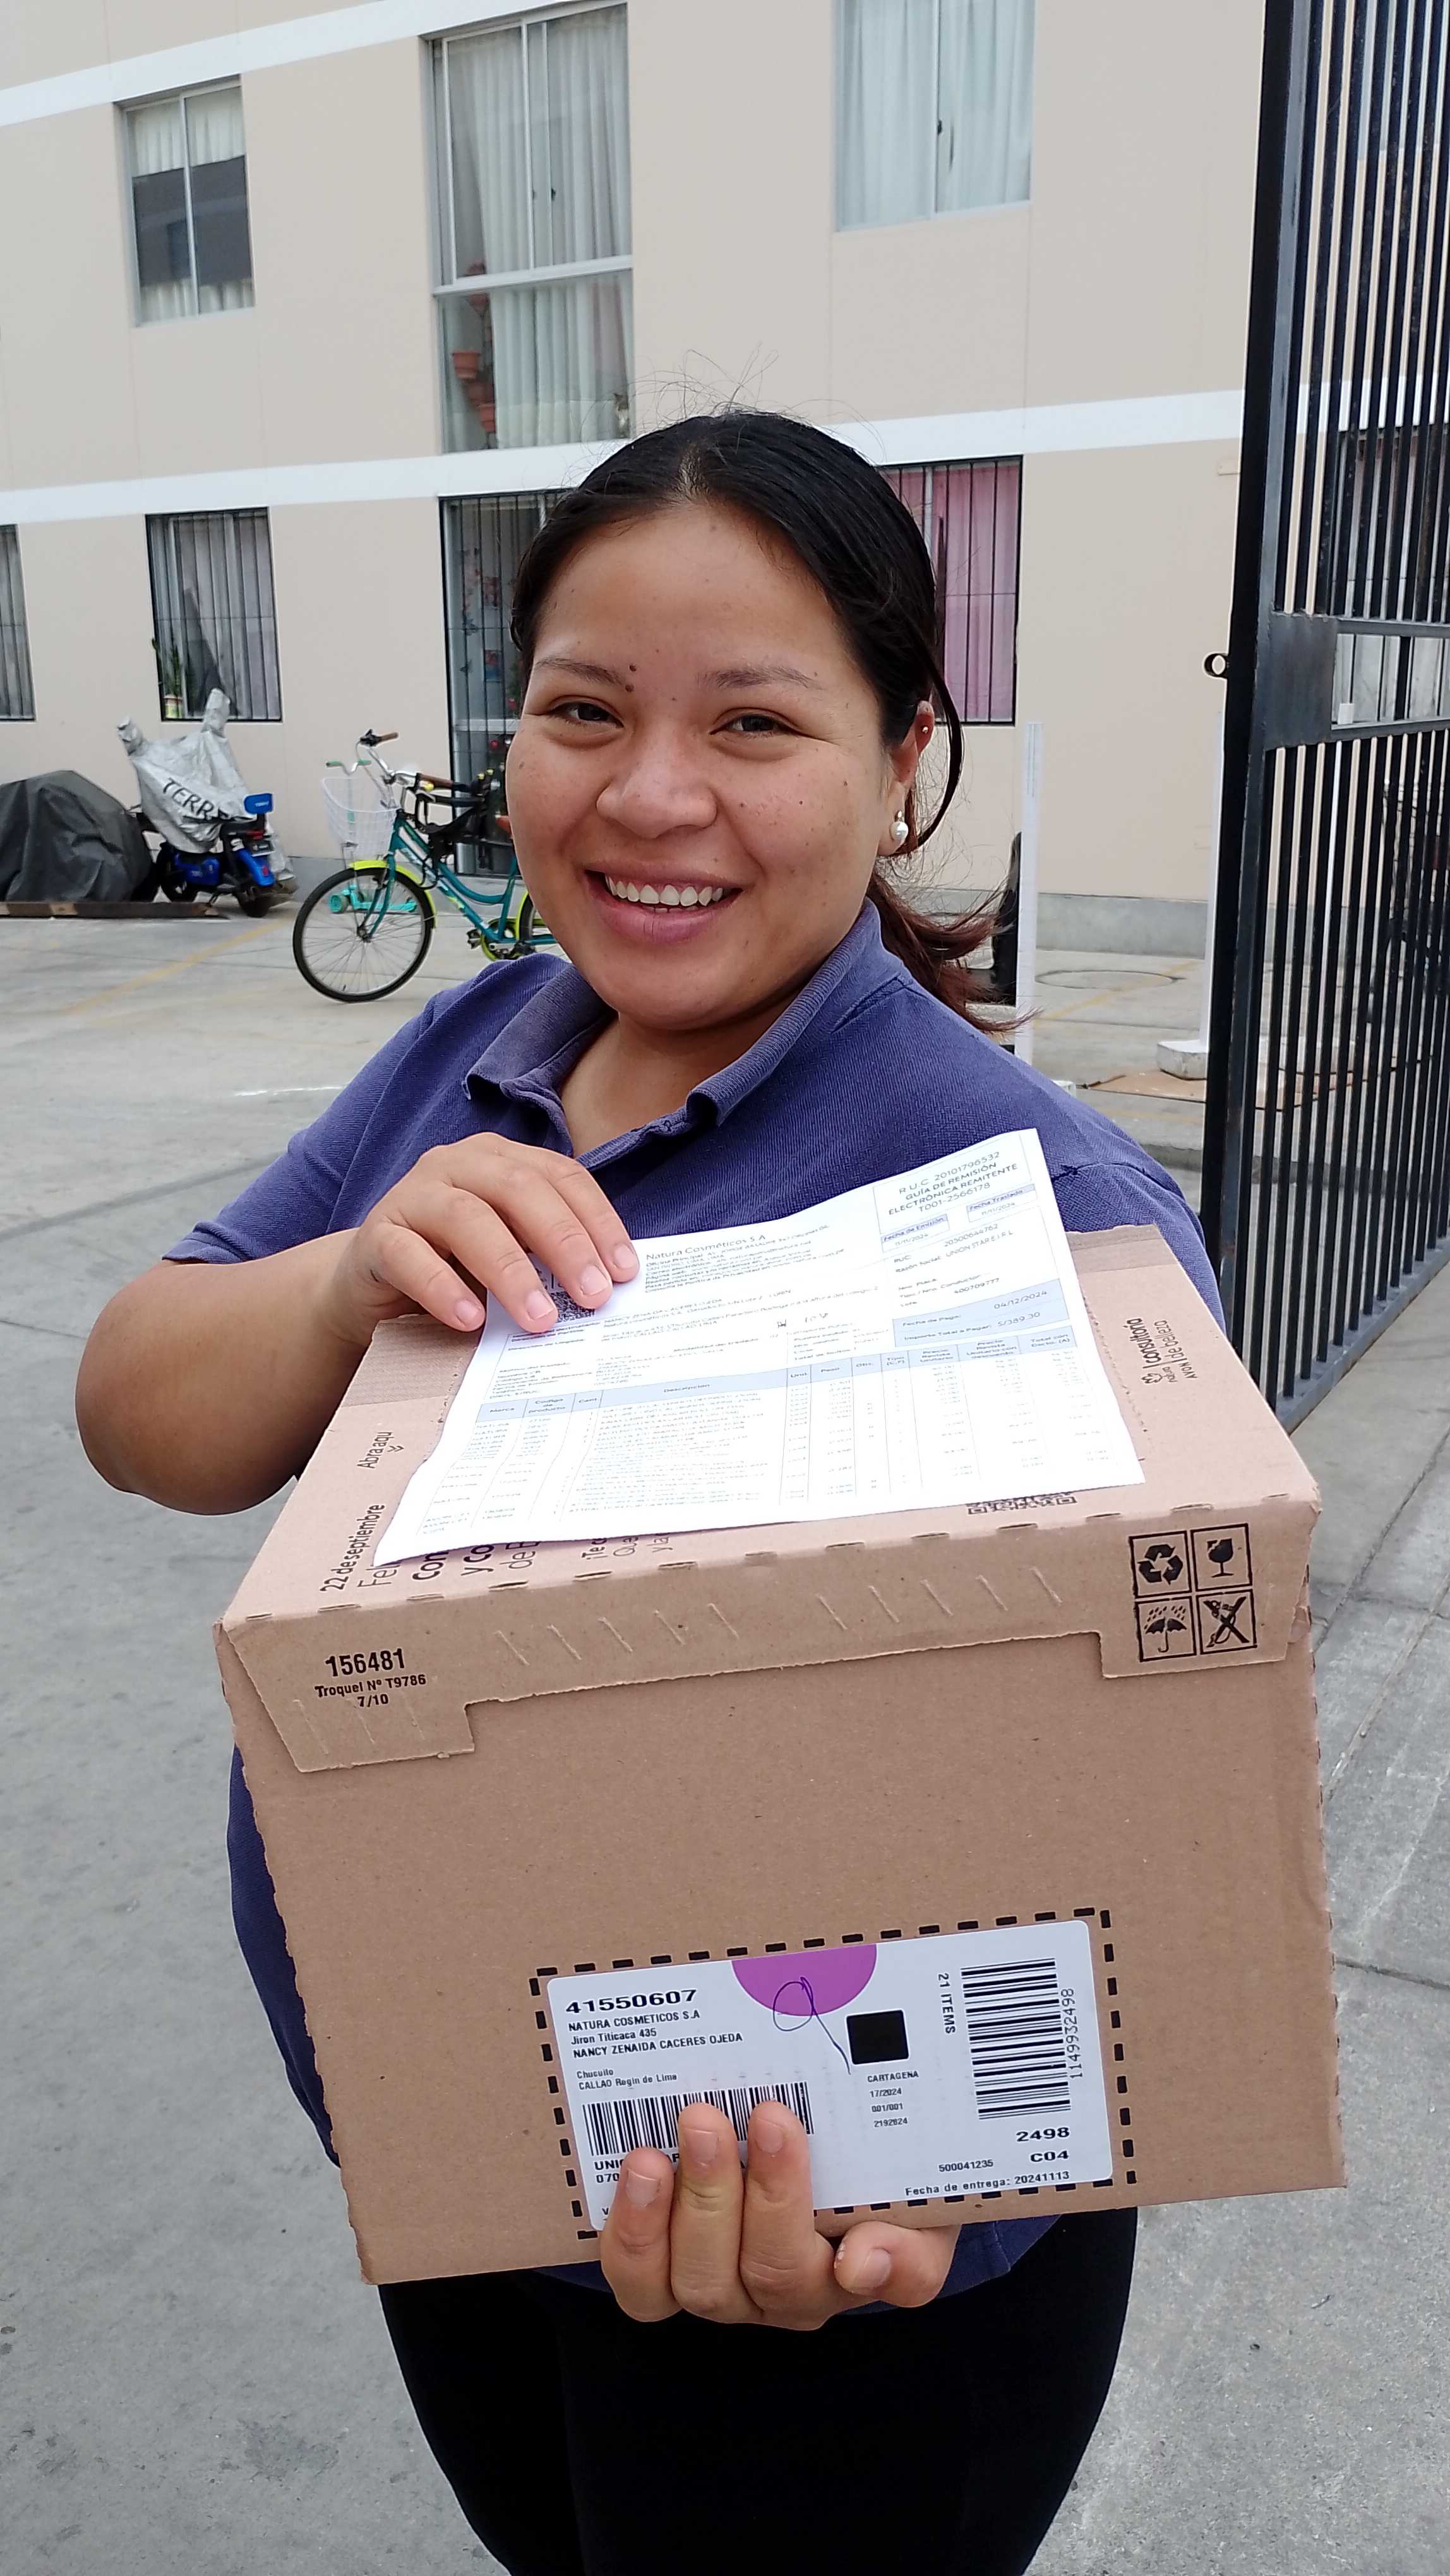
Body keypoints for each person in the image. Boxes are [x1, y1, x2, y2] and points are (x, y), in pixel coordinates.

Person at [78, 410, 1221, 2576]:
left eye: (753, 722)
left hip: (835, 2296)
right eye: (584, 711)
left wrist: (930, 2202)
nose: (649, 795)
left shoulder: (1036, 1206)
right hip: (457, 2149)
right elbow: (141, 1407)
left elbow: (1147, 1796)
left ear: (903, 758)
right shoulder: (487, 1045)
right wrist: (350, 1274)